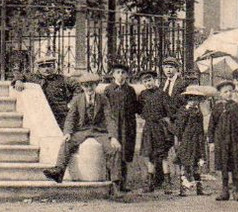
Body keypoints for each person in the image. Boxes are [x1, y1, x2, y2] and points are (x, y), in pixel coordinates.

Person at [42, 72, 122, 196]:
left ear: (96, 85)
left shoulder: (103, 99)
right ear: (82, 87)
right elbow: (70, 117)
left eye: (91, 85)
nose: (89, 89)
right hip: (82, 130)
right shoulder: (77, 99)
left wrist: (113, 137)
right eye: (86, 86)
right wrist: (67, 132)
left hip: (99, 131)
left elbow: (110, 119)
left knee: (114, 149)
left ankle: (116, 184)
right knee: (66, 142)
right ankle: (58, 171)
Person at [209, 79, 238, 202]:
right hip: (221, 141)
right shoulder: (217, 108)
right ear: (220, 94)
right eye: (225, 92)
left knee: (235, 165)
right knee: (223, 166)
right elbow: (212, 125)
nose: (229, 94)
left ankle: (236, 190)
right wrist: (211, 142)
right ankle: (224, 191)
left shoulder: (237, 107)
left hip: (234, 141)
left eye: (230, 91)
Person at [137, 69, 174, 193]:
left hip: (160, 128)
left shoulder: (162, 94)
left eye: (150, 80)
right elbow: (140, 111)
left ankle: (167, 184)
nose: (148, 83)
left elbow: (170, 111)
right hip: (149, 128)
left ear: (155, 80)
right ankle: (150, 184)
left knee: (163, 156)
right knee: (151, 157)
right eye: (145, 81)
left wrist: (166, 124)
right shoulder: (142, 95)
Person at [105, 61, 138, 192]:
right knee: (113, 152)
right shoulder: (108, 90)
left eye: (123, 72)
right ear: (113, 75)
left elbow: (135, 107)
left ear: (127, 75)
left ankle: (123, 183)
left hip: (127, 126)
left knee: (125, 153)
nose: (120, 75)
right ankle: (111, 183)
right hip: (114, 125)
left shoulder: (130, 90)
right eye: (118, 72)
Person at [175, 85, 208, 196]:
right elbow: (179, 128)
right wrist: (181, 139)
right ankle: (183, 188)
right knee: (185, 164)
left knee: (196, 165)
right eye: (190, 99)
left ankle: (199, 187)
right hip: (186, 141)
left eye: (195, 99)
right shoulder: (183, 112)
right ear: (187, 99)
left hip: (197, 141)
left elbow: (201, 129)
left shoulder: (199, 113)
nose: (193, 101)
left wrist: (202, 139)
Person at [32, 53, 78, 128]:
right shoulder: (34, 78)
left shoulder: (62, 79)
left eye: (49, 66)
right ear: (39, 69)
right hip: (42, 113)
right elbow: (20, 75)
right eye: (43, 67)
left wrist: (73, 103)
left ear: (54, 67)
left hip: (60, 113)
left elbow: (77, 87)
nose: (46, 69)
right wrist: (18, 81)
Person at [160, 57, 188, 121]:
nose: (168, 70)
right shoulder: (163, 84)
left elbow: (184, 103)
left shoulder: (182, 83)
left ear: (176, 69)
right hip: (164, 119)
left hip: (177, 118)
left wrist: (176, 116)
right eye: (166, 67)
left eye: (171, 67)